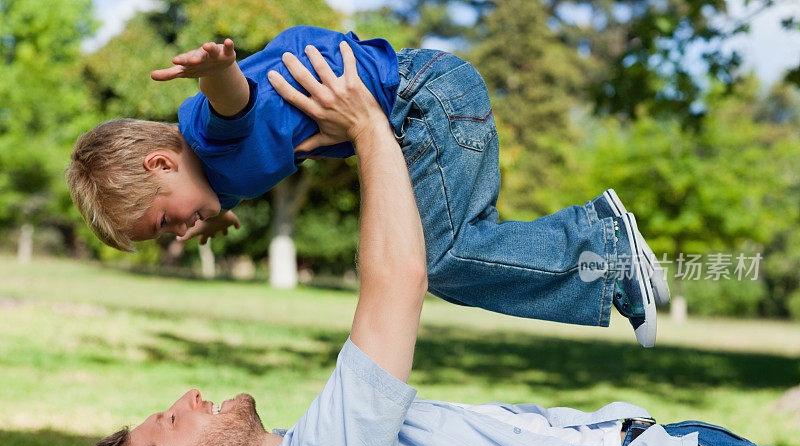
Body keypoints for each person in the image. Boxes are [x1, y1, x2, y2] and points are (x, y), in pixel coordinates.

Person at [91, 46, 800, 446]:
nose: (186, 397)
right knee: (448, 253)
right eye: (172, 421)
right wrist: (367, 126)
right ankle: (603, 247)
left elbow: (227, 110)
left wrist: (210, 202)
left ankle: (602, 250)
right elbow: (399, 280)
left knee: (455, 250)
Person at [66, 26, 669, 347]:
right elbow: (225, 180)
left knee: (437, 257)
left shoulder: (205, 129)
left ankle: (603, 242)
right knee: (432, 262)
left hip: (424, 98)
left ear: (160, 165)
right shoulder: (213, 179)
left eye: (167, 221)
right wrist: (217, 215)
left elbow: (235, 105)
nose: (180, 231)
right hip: (416, 112)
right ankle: (610, 270)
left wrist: (217, 70)